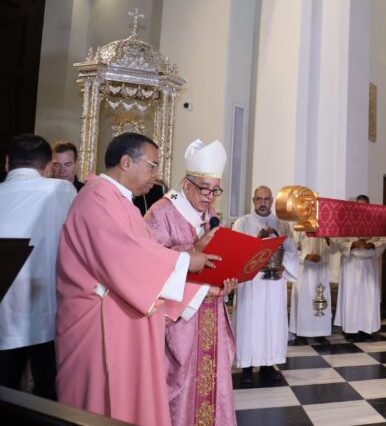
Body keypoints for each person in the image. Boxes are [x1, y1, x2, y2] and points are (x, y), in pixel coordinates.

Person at [55, 132, 220, 426]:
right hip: (99, 326)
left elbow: (142, 256)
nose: (156, 176)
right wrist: (187, 260)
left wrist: (199, 288)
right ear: (126, 162)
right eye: (153, 165)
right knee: (102, 406)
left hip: (124, 319)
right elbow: (126, 258)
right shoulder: (97, 198)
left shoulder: (122, 202)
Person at [144, 139, 238, 426]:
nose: (210, 197)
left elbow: (216, 261)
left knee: (215, 379)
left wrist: (228, 282)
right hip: (180, 320)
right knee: (184, 384)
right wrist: (194, 251)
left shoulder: (209, 216)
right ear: (186, 184)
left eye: (215, 190)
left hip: (211, 315)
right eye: (204, 189)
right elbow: (149, 262)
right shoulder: (161, 213)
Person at [0, 135, 76, 400]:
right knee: (48, 396)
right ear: (47, 168)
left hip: (3, 319)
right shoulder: (61, 190)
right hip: (47, 313)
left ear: (7, 162)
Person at [232, 186, 298, 386]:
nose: (262, 203)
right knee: (249, 325)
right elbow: (236, 251)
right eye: (259, 199)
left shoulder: (283, 225)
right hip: (251, 283)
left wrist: (283, 268)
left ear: (272, 201)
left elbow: (292, 251)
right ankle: (247, 368)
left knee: (272, 324)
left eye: (266, 199)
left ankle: (270, 365)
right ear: (253, 201)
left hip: (274, 283)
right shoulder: (242, 223)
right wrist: (258, 240)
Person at [332, 195, 386, 342]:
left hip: (368, 263)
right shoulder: (346, 221)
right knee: (351, 297)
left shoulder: (376, 222)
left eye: (365, 206)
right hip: (351, 263)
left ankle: (366, 330)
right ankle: (350, 331)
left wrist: (372, 245)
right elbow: (338, 240)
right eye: (359, 206)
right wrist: (353, 245)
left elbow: (383, 240)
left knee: (367, 298)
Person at [289, 232, 335, 346]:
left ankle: (320, 333)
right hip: (305, 269)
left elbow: (334, 249)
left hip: (321, 269)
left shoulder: (326, 226)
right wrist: (306, 256)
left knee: (321, 299)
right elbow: (291, 249)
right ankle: (301, 333)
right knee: (304, 301)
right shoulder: (299, 227)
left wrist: (328, 238)